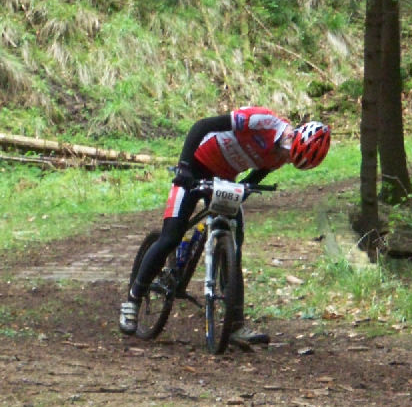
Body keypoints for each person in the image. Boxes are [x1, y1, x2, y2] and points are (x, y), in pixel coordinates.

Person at [119, 106, 331, 345]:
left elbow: (258, 174)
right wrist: (184, 166)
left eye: (291, 160)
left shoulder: (283, 154)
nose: (286, 158)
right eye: (288, 153)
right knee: (171, 237)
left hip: (223, 178)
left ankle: (235, 325)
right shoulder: (262, 122)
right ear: (292, 136)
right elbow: (202, 126)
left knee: (235, 245)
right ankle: (133, 300)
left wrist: (244, 192)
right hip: (197, 164)